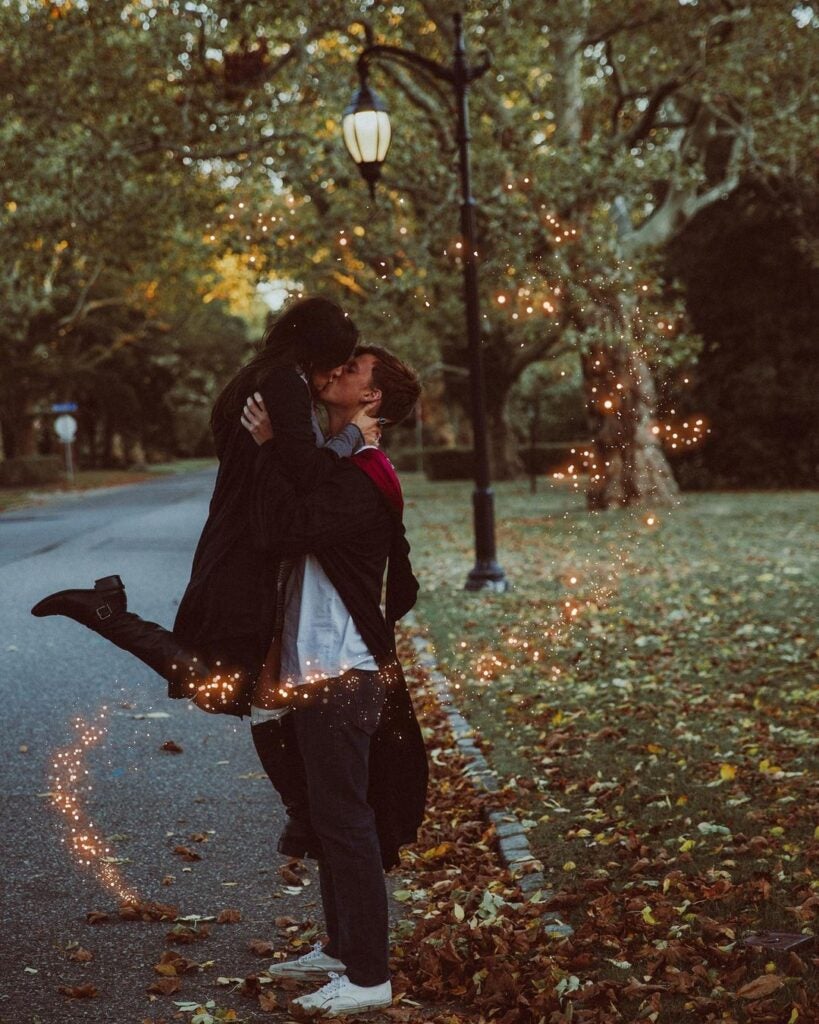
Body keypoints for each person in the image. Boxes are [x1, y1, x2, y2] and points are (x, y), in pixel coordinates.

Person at [30, 296, 378, 713]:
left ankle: (107, 611)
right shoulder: (285, 383)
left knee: (225, 675)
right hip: (249, 545)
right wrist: (353, 435)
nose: (339, 370)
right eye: (339, 360)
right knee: (221, 679)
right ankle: (107, 614)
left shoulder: (256, 378)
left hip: (235, 532)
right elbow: (306, 472)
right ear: (317, 350)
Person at [241, 346, 428, 1017]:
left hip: (338, 672)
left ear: (372, 399)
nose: (336, 372)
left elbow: (280, 528)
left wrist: (268, 448)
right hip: (313, 666)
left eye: (353, 371)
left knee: (346, 822)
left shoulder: (363, 474)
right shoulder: (339, 462)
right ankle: (344, 948)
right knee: (327, 815)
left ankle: (369, 976)